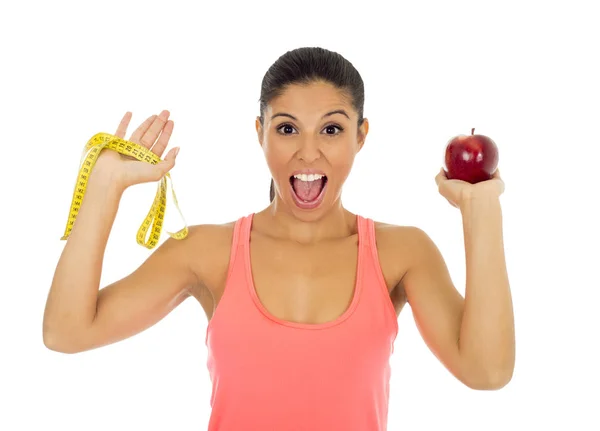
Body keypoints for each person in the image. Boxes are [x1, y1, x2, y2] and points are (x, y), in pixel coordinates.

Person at [43, 47, 515, 430]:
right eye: (287, 128)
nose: (308, 151)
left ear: (361, 136)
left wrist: (481, 209)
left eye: (332, 129)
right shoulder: (207, 251)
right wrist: (103, 187)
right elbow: (67, 332)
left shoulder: (402, 253)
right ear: (260, 133)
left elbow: (487, 371)